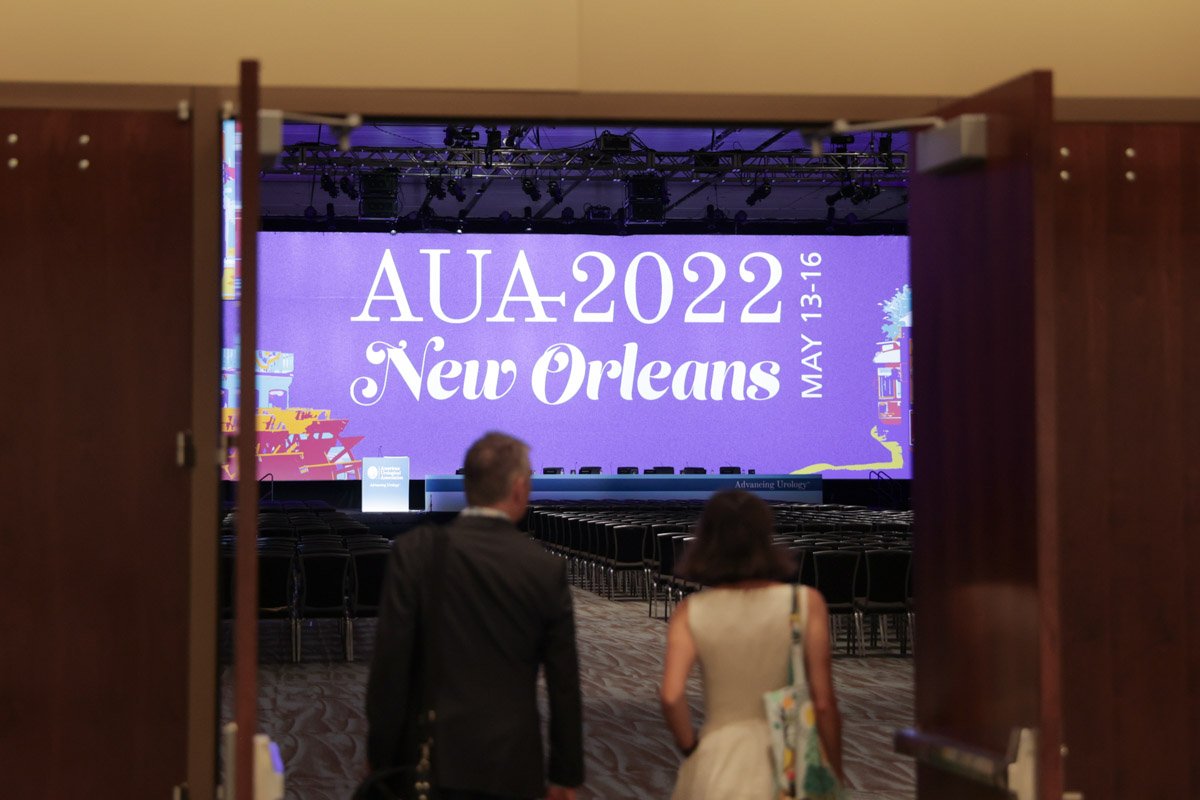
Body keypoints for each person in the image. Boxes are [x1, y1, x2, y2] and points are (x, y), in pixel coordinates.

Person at [367, 432, 584, 800]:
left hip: (432, 757)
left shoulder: (414, 553)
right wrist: (566, 775)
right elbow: (564, 685)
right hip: (514, 762)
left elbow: (390, 667)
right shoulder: (544, 569)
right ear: (518, 488)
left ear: (469, 487)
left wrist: (379, 758)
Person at [660, 490, 846, 800]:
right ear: (765, 535)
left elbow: (670, 695)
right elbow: (824, 703)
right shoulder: (804, 602)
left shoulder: (690, 611)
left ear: (707, 539)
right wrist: (834, 774)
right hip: (790, 762)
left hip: (717, 761)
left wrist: (690, 747)